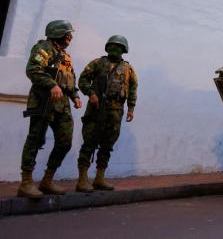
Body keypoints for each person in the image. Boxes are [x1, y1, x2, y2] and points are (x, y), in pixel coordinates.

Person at [18, 20, 82, 199]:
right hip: (43, 102)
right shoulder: (43, 49)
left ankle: (47, 180)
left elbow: (70, 78)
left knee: (65, 142)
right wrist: (51, 84)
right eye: (68, 34)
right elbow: (33, 69)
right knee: (35, 140)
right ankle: (26, 183)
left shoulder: (65, 56)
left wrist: (75, 95)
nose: (70, 37)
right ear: (58, 33)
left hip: (62, 105)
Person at [76, 35, 138, 192]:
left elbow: (132, 89)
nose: (114, 49)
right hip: (96, 108)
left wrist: (131, 108)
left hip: (115, 111)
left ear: (123, 50)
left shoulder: (128, 69)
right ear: (107, 47)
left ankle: (99, 178)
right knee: (89, 142)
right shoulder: (97, 63)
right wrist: (91, 93)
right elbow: (83, 80)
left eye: (118, 47)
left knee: (107, 145)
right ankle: (82, 179)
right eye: (112, 46)